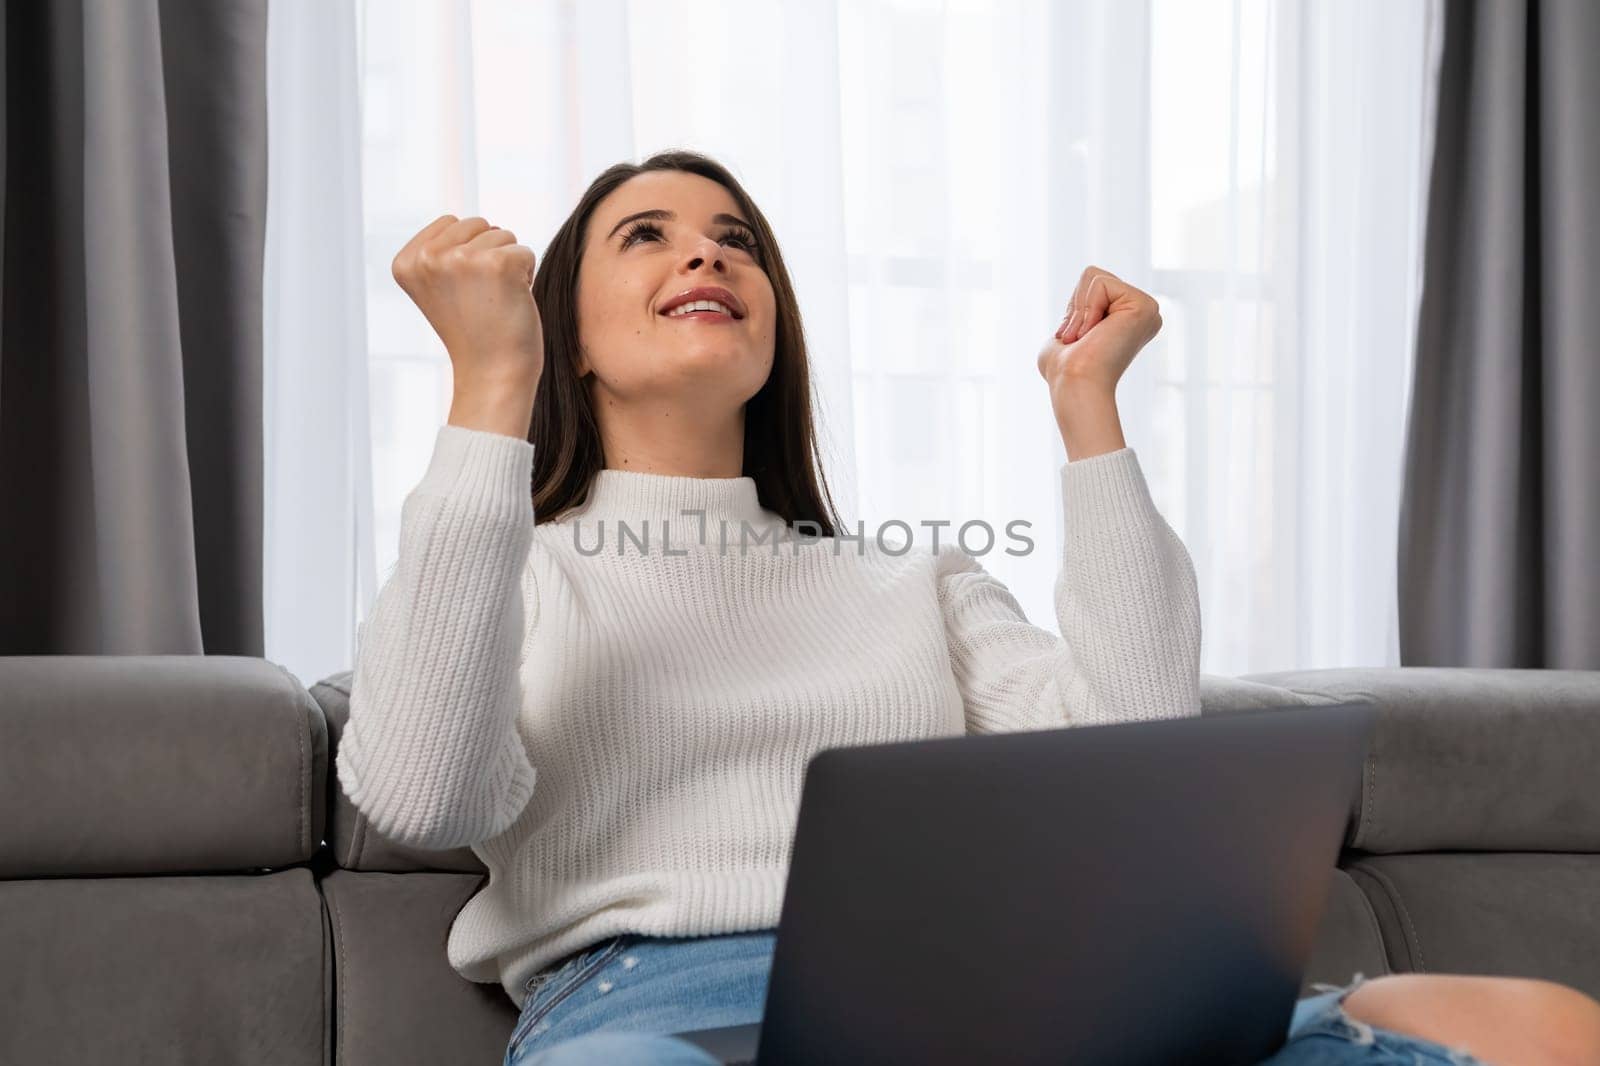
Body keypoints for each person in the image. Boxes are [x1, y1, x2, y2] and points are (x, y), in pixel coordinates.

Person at [340, 150, 1600, 1066]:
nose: (709, 252)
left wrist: (1089, 409)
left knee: (1551, 1030)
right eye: (648, 235)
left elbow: (1136, 737)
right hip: (658, 1013)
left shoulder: (911, 577)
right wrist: (488, 385)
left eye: (736, 238)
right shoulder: (511, 565)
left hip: (996, 998)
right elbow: (419, 792)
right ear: (569, 337)